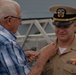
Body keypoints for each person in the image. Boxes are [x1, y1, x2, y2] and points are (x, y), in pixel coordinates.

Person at [0, 0, 58, 75]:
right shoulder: (7, 43)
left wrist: (21, 56)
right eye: (19, 18)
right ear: (9, 20)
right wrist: (43, 57)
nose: (20, 23)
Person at [42, 5, 76, 75]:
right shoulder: (44, 52)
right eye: (58, 26)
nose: (61, 30)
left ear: (75, 26)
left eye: (65, 26)